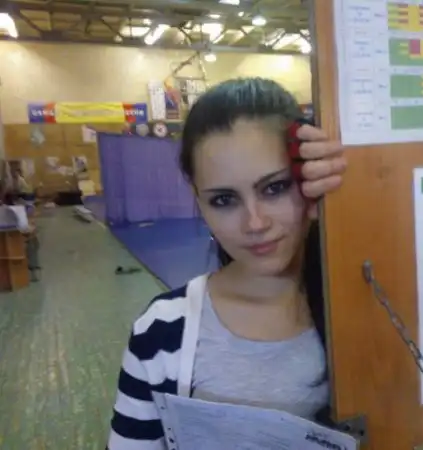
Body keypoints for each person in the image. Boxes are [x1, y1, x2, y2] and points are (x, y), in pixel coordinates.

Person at [107, 77, 347, 449]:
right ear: (199, 202)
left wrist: (357, 194)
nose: (255, 223)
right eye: (224, 200)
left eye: (275, 187)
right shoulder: (163, 330)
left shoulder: (364, 306)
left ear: (308, 179)